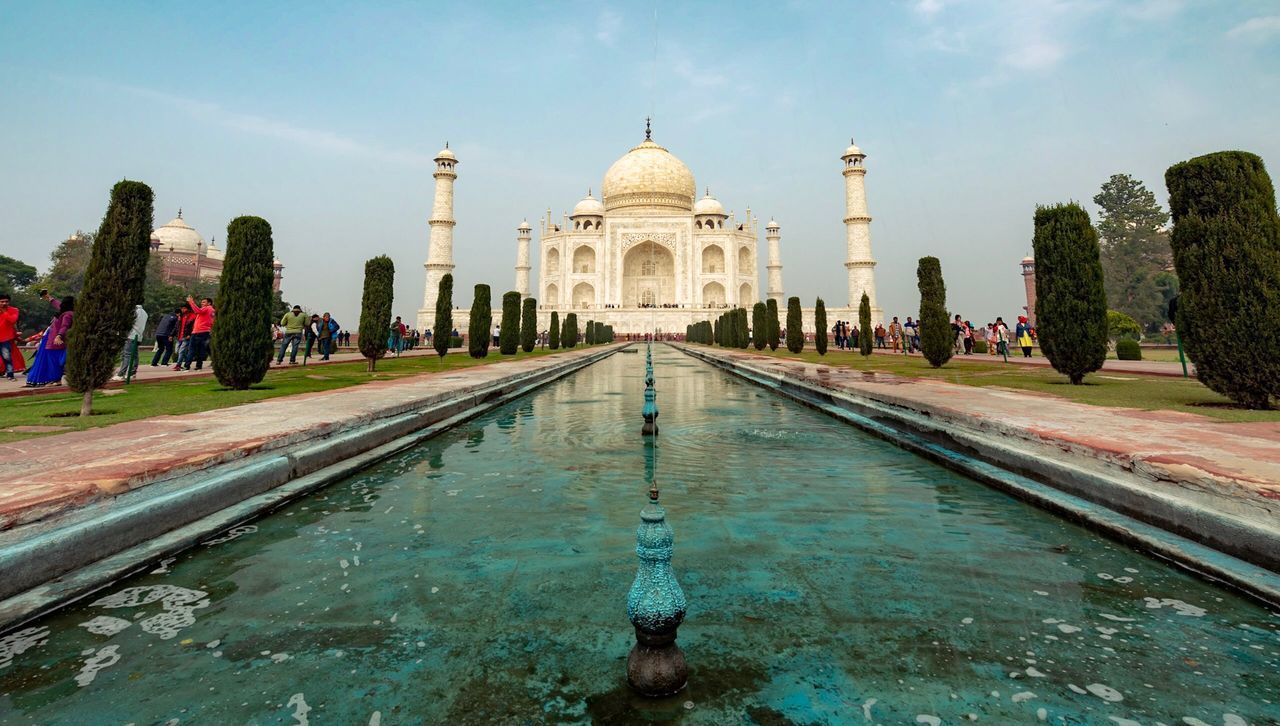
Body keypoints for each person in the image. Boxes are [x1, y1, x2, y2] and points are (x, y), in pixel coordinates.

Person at [26, 293, 73, 387]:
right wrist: (49, 298)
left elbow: (65, 326)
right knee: (56, 362)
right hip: (52, 340)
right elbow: (57, 304)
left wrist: (59, 335)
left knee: (56, 362)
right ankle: (56, 379)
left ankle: (57, 380)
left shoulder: (67, 314)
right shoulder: (65, 312)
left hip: (56, 341)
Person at [112, 304, 148, 381]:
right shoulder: (145, 313)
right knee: (134, 355)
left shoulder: (133, 312)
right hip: (139, 336)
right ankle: (132, 373)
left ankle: (121, 374)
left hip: (131, 335)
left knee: (126, 355)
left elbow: (127, 323)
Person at [0, 292, 26, 380]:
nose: (4, 303)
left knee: (6, 356)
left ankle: (10, 375)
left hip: (5, 338)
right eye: (2, 301)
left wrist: (4, 312)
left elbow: (12, 320)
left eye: (6, 301)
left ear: (9, 302)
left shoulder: (14, 310)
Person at [185, 295, 215, 370]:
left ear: (209, 303)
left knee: (192, 349)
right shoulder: (211, 310)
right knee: (201, 350)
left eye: (204, 302)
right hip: (205, 332)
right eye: (201, 302)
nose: (202, 303)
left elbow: (197, 311)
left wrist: (191, 302)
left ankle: (187, 365)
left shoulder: (207, 308)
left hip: (198, 332)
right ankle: (199, 366)